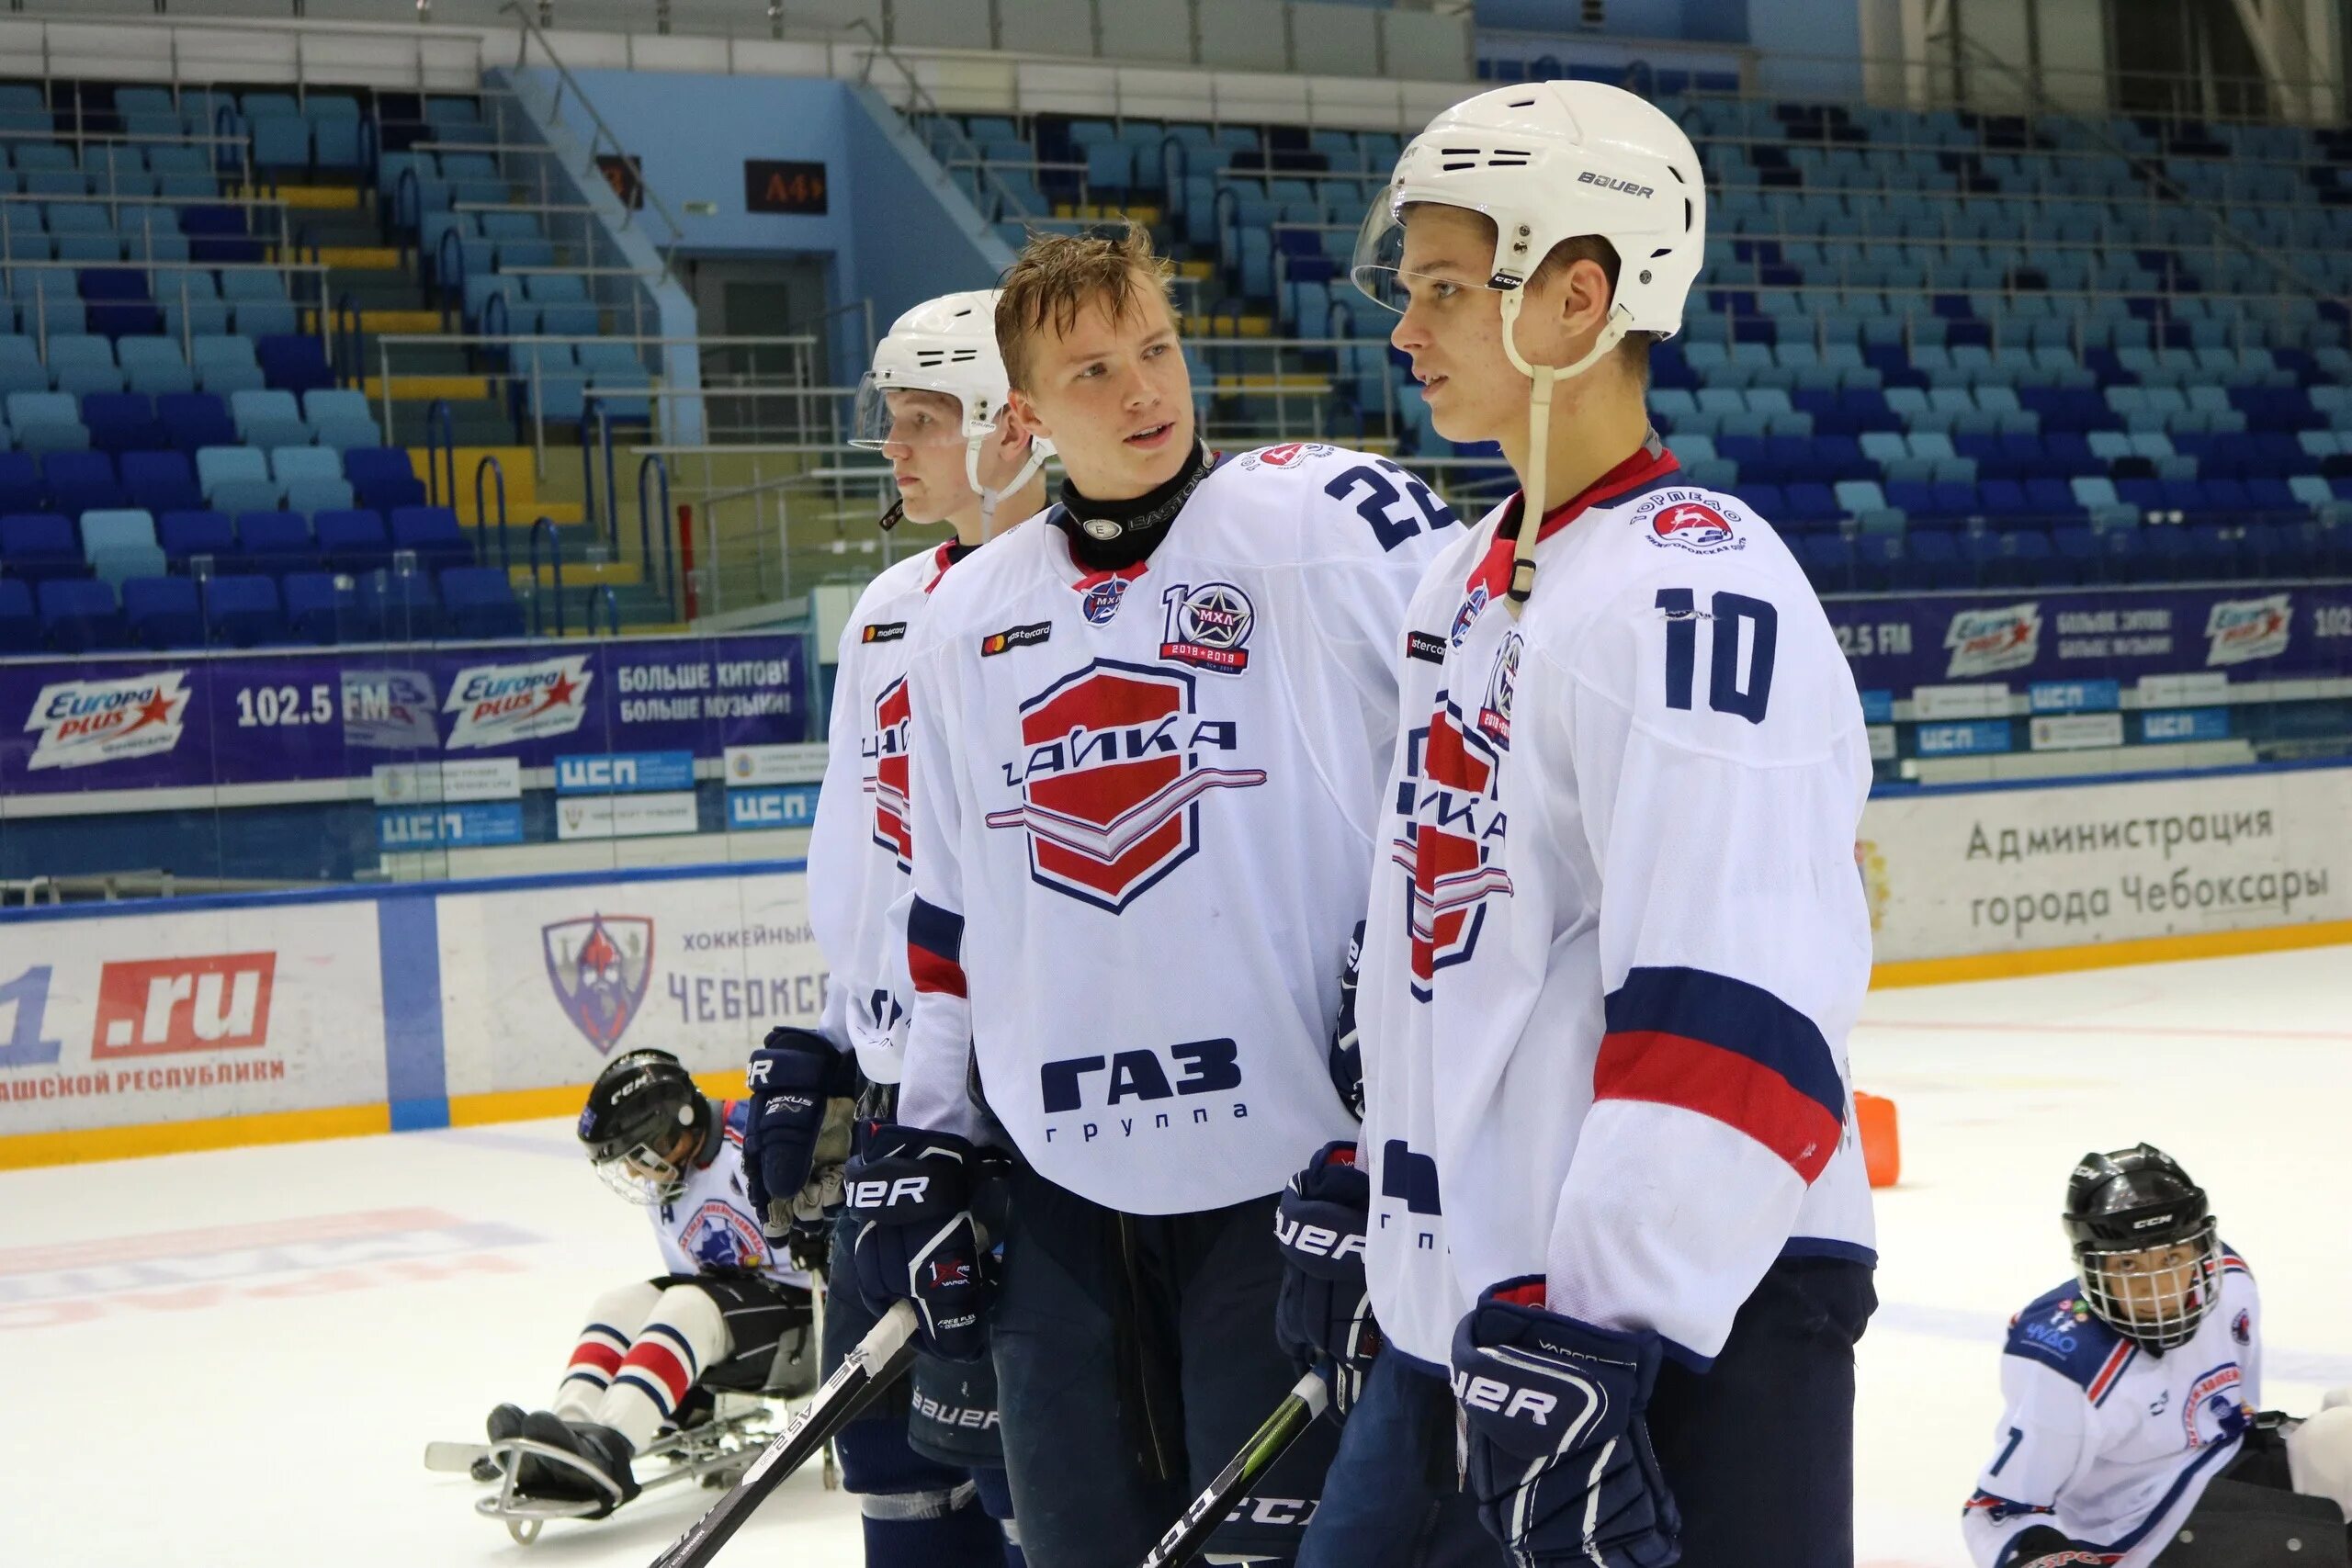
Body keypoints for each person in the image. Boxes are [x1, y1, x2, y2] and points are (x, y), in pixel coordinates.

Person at [1287, 78, 1880, 1568]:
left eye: (1442, 287)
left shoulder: (1697, 591)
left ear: (1575, 294)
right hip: (1480, 1317)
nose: (1404, 330)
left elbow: (1744, 1000)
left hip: (1674, 1329)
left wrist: (1599, 1331)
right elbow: (1440, 949)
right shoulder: (1465, 573)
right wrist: (1375, 1188)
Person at [838, 222, 1460, 1568]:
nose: (1143, 391)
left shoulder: (1321, 527)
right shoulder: (966, 617)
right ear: (1029, 416)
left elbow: (1483, 777)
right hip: (1060, 1187)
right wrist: (927, 1128)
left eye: (1158, 349)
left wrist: (1419, 1095)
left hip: (1291, 1172)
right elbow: (945, 911)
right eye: (1094, 371)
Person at [740, 289, 1047, 1568]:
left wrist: (945, 1094)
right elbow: (872, 855)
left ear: (1007, 426)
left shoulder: (1070, 600)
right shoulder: (882, 609)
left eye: (924, 419)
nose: (896, 445)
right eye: (895, 422)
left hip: (1007, 1114)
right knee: (894, 1463)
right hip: (893, 1099)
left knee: (1029, 1464)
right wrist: (826, 1030)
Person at [1964, 1144, 2352, 1568]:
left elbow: (2236, 1415)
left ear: (2202, 1251)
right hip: (2137, 1535)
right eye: (2129, 1266)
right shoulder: (2067, 1359)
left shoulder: (2231, 1280)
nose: (2156, 1289)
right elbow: (1996, 1512)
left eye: (2172, 1259)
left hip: (2221, 1471)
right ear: (2092, 1268)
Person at [482, 1048, 816, 1517]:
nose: (635, 1172)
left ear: (674, 1129)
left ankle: (610, 1450)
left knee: (686, 1306)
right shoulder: (670, 1179)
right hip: (737, 1312)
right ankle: (565, 1438)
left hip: (807, 1318)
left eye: (637, 1156)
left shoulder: (757, 1142)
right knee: (617, 1305)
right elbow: (695, 1277)